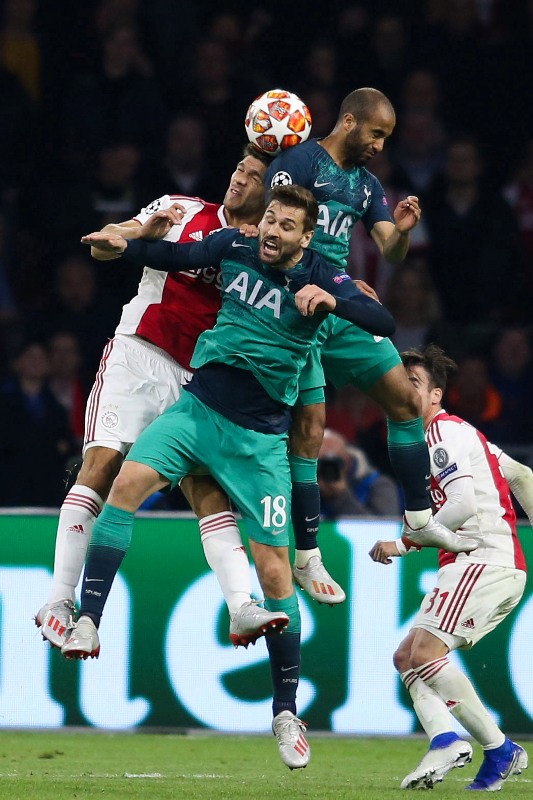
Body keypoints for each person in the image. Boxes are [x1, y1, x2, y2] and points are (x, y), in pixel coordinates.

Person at [65, 184, 397, 769]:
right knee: (124, 486)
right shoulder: (234, 246)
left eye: (286, 226)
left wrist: (332, 300)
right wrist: (124, 242)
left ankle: (286, 713)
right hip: (197, 412)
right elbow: (174, 256)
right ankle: (88, 620)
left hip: (258, 443)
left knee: (275, 572)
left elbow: (383, 318)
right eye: (270, 219)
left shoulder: (323, 277)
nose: (272, 231)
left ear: (306, 237)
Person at [35, 145, 281, 652]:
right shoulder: (181, 209)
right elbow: (108, 245)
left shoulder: (263, 251)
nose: (239, 179)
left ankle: (242, 605)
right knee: (101, 465)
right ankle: (59, 600)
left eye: (254, 177)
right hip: (138, 356)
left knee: (206, 489)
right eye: (239, 168)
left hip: (197, 380)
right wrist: (133, 235)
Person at [262, 87, 469, 603]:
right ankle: (307, 556)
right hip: (296, 307)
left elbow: (390, 250)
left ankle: (418, 517)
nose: (379, 145)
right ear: (350, 122)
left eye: (386, 138)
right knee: (309, 432)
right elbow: (272, 236)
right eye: (376, 133)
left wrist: (401, 232)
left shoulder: (367, 184)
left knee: (405, 400)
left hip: (338, 304)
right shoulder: (299, 163)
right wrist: (323, 280)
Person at [369, 344, 530, 791]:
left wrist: (403, 543)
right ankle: (464, 744)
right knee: (407, 658)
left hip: (481, 560)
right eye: (400, 381)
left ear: (436, 395)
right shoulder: (464, 434)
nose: (403, 389)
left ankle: (479, 746)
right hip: (480, 564)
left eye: (414, 383)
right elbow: (521, 475)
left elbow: (461, 504)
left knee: (424, 656)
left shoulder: (440, 432)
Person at [317, 427, 402, 521]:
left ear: (348, 459)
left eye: (334, 463)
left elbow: (385, 527)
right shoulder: (307, 485)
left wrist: (341, 496)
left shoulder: (378, 485)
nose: (328, 469)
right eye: (320, 463)